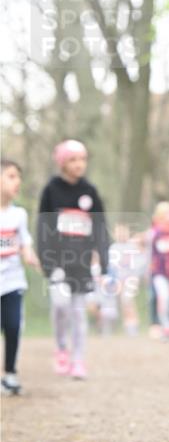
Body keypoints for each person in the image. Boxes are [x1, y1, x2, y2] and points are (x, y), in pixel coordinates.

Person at [37, 139, 110, 380]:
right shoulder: (51, 190)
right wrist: (47, 263)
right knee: (60, 306)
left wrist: (104, 258)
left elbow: (100, 226)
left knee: (78, 312)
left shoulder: (90, 191)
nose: (79, 164)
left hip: (82, 262)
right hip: (57, 262)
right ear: (62, 163)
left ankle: (78, 360)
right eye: (73, 160)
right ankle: (61, 348)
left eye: (82, 159)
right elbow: (43, 227)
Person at [1, 160, 38, 394]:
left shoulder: (19, 215)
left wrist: (31, 257)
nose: (18, 182)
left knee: (13, 327)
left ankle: (10, 374)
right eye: (11, 176)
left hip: (13, 281)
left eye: (19, 177)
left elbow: (24, 243)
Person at [142, 201, 169, 340]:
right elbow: (149, 253)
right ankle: (165, 326)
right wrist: (147, 270)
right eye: (166, 213)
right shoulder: (153, 233)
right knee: (164, 297)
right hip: (159, 273)